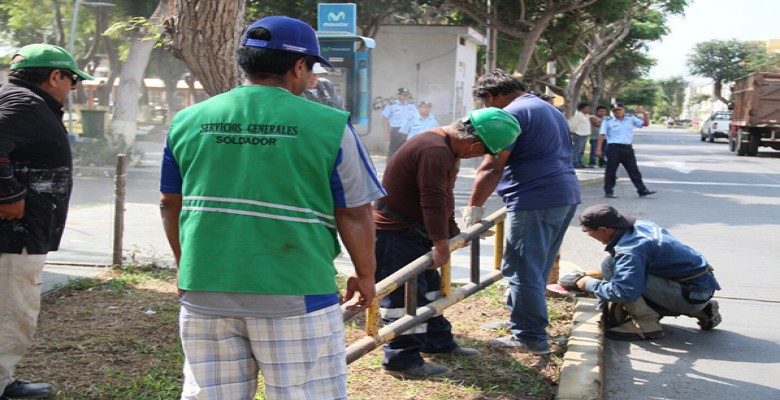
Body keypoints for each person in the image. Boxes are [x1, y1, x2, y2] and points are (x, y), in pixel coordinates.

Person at [159, 16, 385, 399]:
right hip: (296, 293)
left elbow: (170, 203)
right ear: (298, 66)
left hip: (204, 292)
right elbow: (354, 212)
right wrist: (365, 274)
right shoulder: (331, 127)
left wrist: (185, 266)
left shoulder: (187, 120)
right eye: (310, 68)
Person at [375, 107, 521, 379]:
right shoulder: (435, 150)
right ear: (474, 144)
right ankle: (401, 360)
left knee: (430, 290)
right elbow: (431, 199)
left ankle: (436, 341)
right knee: (403, 299)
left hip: (413, 230)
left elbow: (444, 195)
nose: (477, 157)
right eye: (483, 152)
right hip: (396, 233)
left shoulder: (444, 147)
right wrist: (441, 243)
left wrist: (452, 232)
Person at [464, 69, 581, 355]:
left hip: (534, 197)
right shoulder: (547, 108)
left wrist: (474, 208)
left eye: (486, 103)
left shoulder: (511, 114)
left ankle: (530, 337)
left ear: (491, 96)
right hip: (563, 194)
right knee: (536, 267)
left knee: (521, 267)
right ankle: (521, 322)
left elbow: (492, 166)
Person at [0, 43, 93, 400]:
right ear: (55, 76)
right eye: (72, 80)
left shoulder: (16, 99)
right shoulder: (26, 103)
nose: (74, 87)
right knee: (12, 312)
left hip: (16, 234)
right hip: (14, 237)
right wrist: (9, 196)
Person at [572, 204, 722, 340]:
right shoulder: (642, 226)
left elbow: (624, 292)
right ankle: (703, 310)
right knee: (610, 263)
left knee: (622, 279)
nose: (589, 235)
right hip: (699, 288)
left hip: (690, 295)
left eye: (588, 232)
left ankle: (645, 323)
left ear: (603, 230)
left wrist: (587, 283)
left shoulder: (630, 251)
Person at [597, 102, 656, 198]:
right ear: (612, 112)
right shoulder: (608, 121)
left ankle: (641, 189)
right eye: (615, 110)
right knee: (611, 170)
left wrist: (644, 113)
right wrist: (599, 148)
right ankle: (609, 191)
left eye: (619, 109)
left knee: (634, 170)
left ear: (623, 110)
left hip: (627, 148)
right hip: (613, 148)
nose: (617, 112)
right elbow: (602, 134)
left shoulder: (630, 119)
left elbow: (645, 124)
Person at [381, 87, 416, 159]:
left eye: (407, 94)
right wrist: (386, 132)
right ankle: (391, 164)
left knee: (409, 149)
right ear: (398, 95)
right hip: (397, 130)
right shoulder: (391, 105)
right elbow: (384, 119)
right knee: (394, 150)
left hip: (409, 130)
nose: (405, 96)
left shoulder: (411, 105)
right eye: (403, 94)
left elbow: (416, 117)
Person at [568, 102, 591, 169]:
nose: (588, 109)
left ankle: (579, 162)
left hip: (585, 135)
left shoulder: (587, 116)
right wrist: (572, 132)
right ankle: (573, 163)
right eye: (586, 108)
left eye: (588, 108)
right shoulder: (578, 116)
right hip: (579, 134)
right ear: (581, 109)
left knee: (582, 150)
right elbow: (573, 125)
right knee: (577, 150)